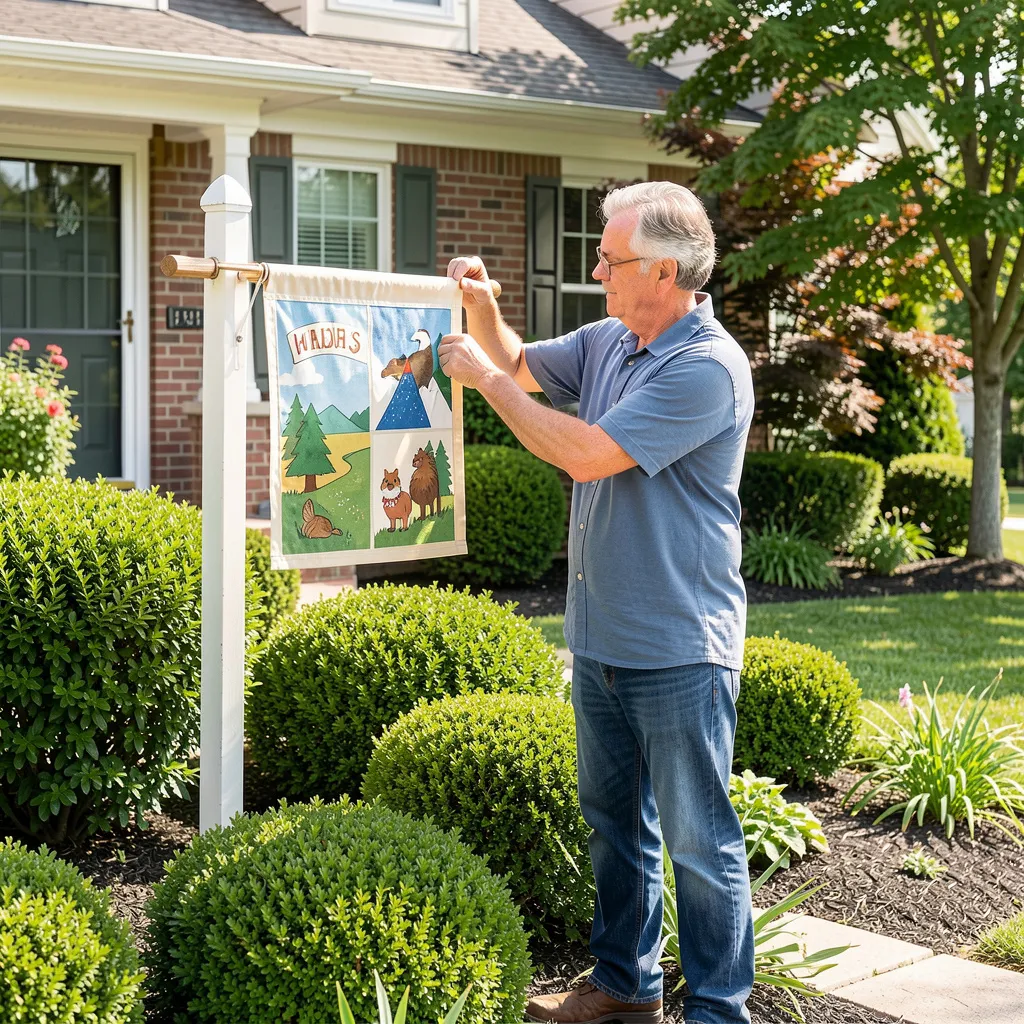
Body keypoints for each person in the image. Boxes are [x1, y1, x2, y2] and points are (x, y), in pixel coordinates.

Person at [437, 181, 755, 1024]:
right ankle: (623, 987)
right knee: (615, 826)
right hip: (604, 633)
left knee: (700, 843)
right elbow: (512, 360)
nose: (596, 271)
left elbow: (584, 454)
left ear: (660, 269)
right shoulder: (615, 338)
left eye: (610, 260)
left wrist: (488, 385)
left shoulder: (706, 367)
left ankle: (719, 1012)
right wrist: (483, 306)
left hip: (681, 643)